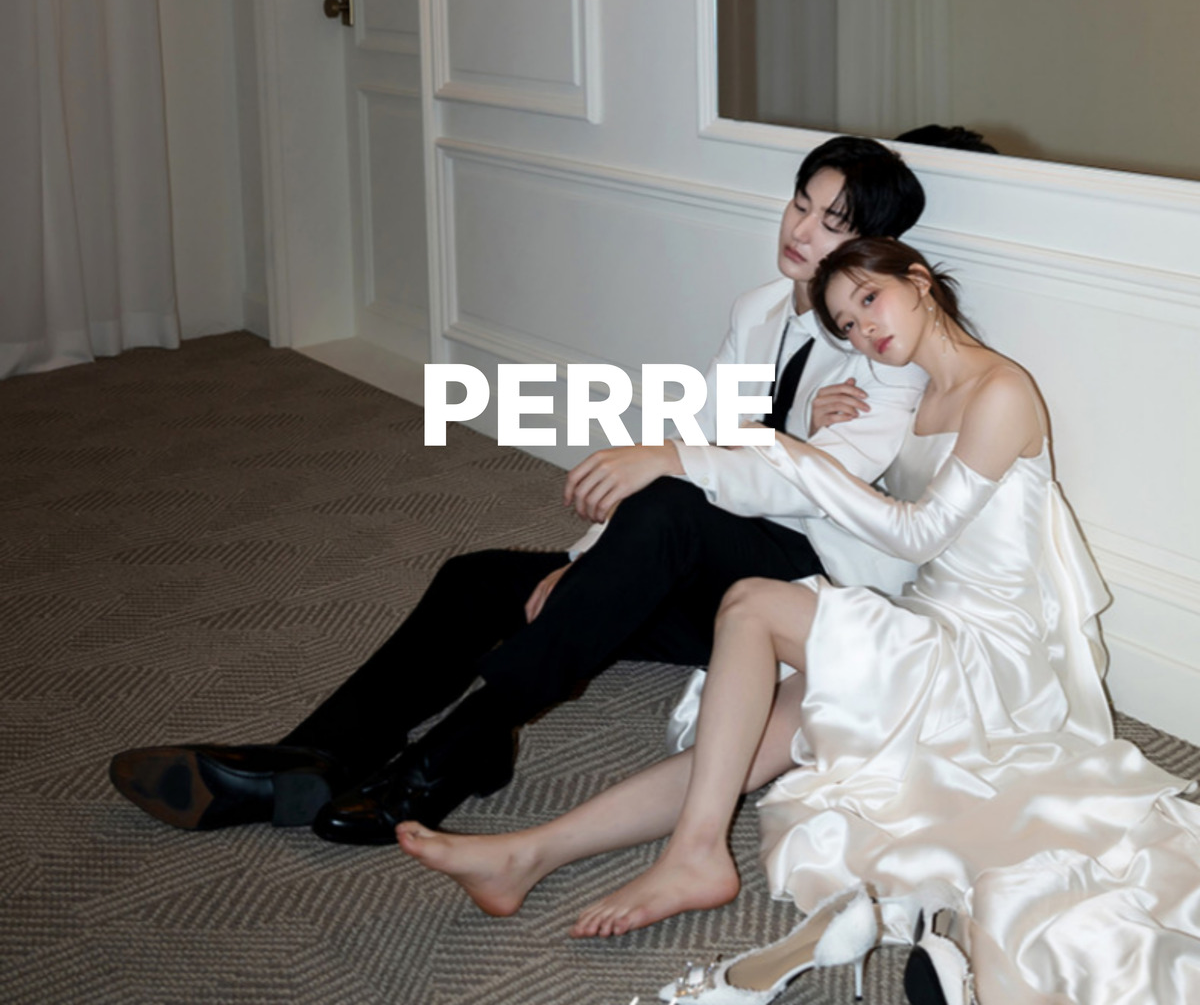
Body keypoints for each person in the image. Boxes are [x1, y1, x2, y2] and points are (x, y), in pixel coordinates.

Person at [396, 238, 1200, 1004]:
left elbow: (917, 533)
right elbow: (857, 504)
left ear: (920, 281)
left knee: (752, 605)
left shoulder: (1002, 392)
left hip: (986, 651)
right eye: (846, 322)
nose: (864, 329)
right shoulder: (917, 394)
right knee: (739, 747)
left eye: (871, 300)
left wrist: (792, 452)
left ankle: (695, 853)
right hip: (925, 619)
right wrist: (811, 433)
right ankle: (527, 854)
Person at [108, 136, 929, 844]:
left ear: (876, 246)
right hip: (686, 560)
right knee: (482, 581)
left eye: (833, 223)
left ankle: (463, 744)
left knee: (671, 497)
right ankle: (315, 755)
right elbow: (702, 443)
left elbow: (799, 485)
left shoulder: (884, 346)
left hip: (791, 589)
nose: (801, 231)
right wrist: (583, 562)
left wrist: (720, 452)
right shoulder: (758, 311)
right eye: (800, 204)